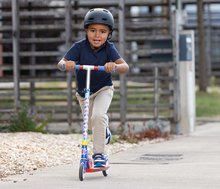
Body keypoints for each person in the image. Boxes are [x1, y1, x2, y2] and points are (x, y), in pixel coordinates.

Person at [57, 8, 129, 167]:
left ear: (109, 34)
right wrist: (67, 64)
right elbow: (60, 63)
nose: (97, 35)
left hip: (104, 89)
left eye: (103, 31)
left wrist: (114, 67)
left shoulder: (109, 48)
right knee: (90, 124)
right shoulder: (79, 47)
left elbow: (125, 66)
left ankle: (99, 155)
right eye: (93, 30)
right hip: (84, 93)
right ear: (86, 30)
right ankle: (105, 132)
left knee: (98, 116)